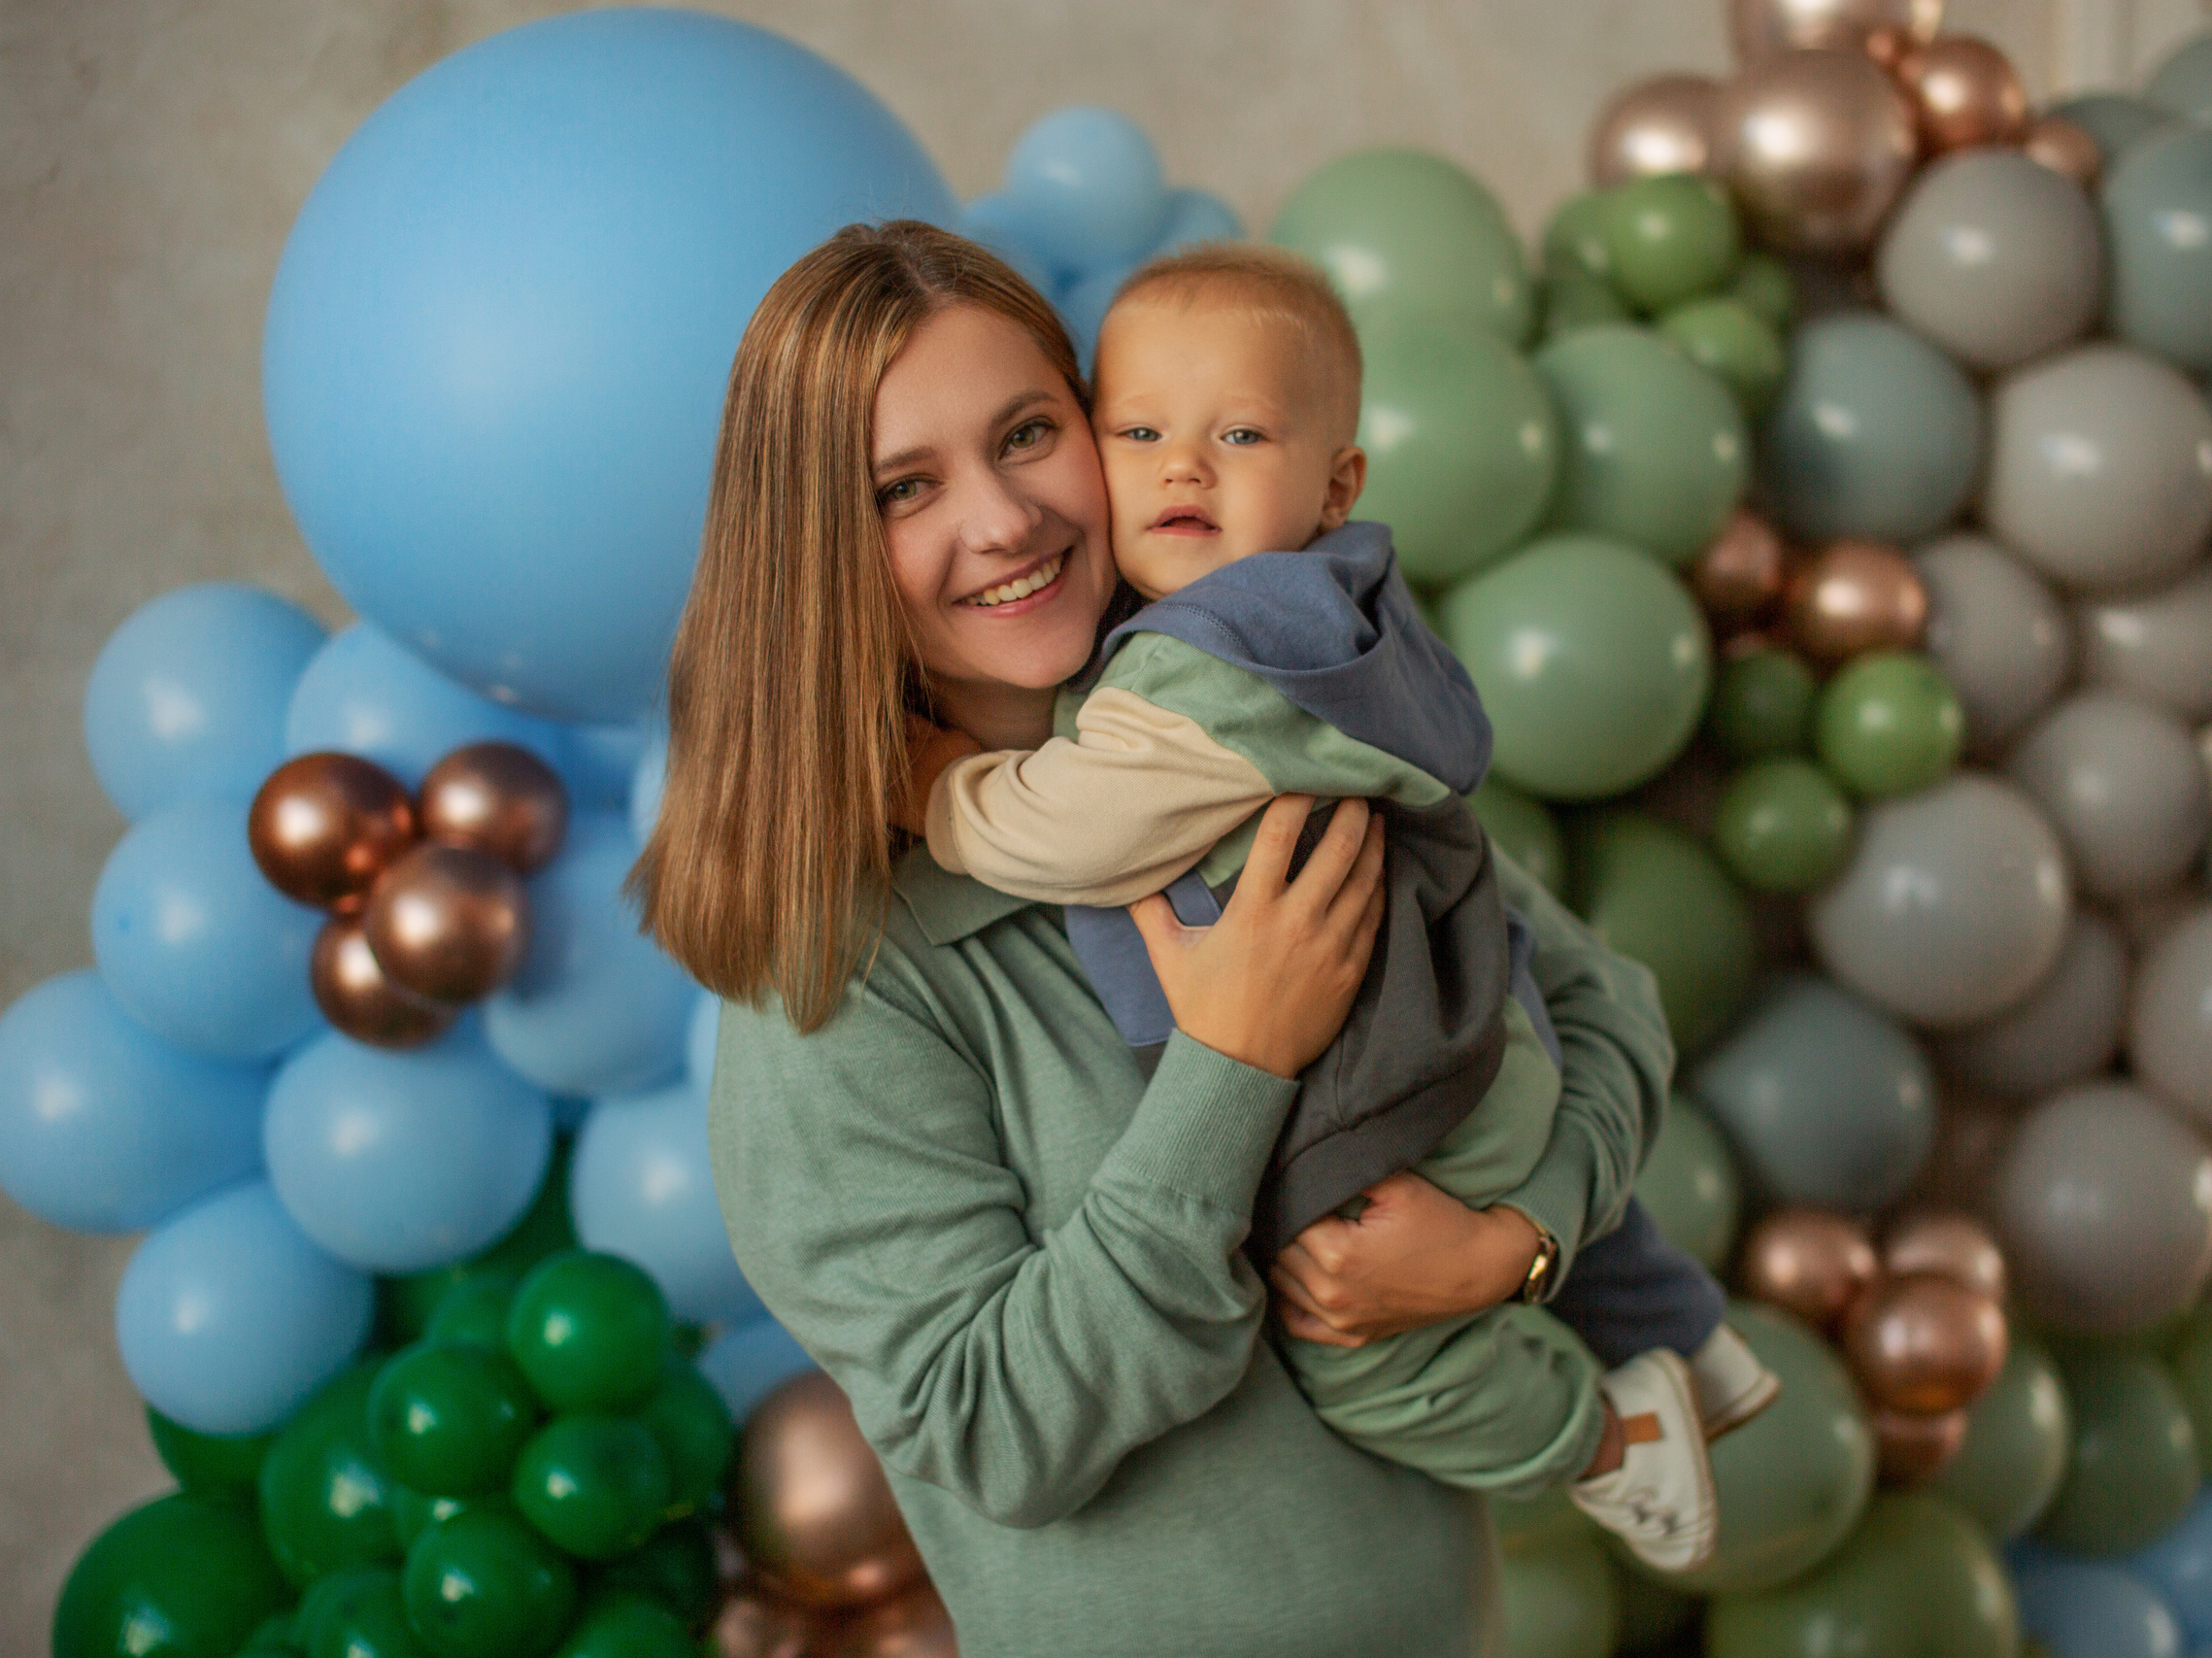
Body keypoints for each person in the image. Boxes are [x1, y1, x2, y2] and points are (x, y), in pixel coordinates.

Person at [636, 220, 1671, 1658]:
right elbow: (992, 1431)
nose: (1005, 520)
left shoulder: (1264, 725)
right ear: (817, 552)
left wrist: (1511, 1244)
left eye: (1027, 434)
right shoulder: (836, 980)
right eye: (903, 488)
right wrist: (1233, 1066)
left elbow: (1603, 1010)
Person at [900, 244, 1774, 1572]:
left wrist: (933, 786)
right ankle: (1686, 1336)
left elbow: (1066, 826)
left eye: (1240, 436)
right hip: (1484, 1032)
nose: (1183, 470)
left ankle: (1611, 1440)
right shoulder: (1332, 614)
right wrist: (1530, 1233)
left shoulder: (1214, 660)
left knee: (1366, 1360)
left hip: (1400, 1086)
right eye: (1140, 432)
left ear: (1337, 484)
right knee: (1521, 1136)